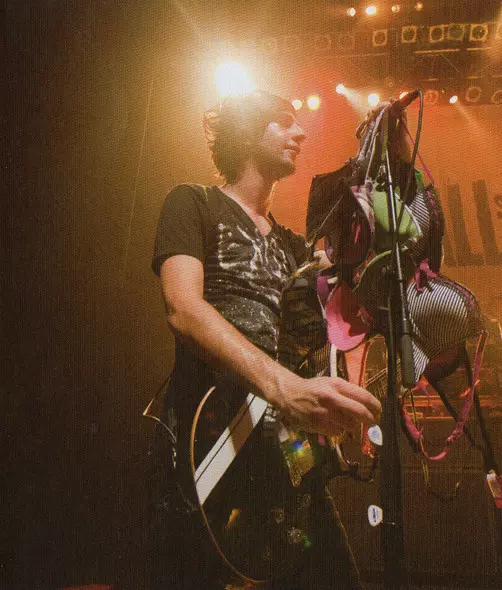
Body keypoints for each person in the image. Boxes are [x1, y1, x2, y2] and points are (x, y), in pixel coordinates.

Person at [147, 90, 382, 590]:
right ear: (245, 131)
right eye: (283, 121)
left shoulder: (294, 247)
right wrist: (284, 387)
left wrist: (391, 163)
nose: (300, 132)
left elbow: (353, 313)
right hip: (211, 437)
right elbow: (183, 309)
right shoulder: (192, 202)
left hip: (289, 446)